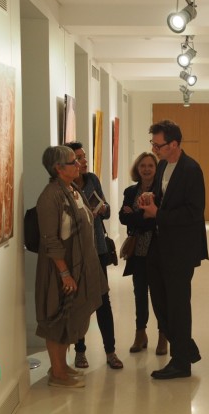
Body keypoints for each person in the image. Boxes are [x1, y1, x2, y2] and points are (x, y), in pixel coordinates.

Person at [139, 120, 208, 379]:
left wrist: (159, 213)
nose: (154, 150)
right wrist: (151, 199)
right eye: (153, 144)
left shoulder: (191, 170)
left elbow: (194, 212)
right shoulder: (163, 166)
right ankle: (186, 348)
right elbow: (163, 198)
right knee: (159, 301)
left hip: (181, 248)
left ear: (174, 144)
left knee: (178, 304)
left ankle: (181, 362)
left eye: (159, 145)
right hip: (160, 245)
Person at [35, 146, 109, 388]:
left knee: (71, 317)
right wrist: (65, 273)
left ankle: (62, 367)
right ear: (58, 168)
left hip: (79, 266)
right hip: (61, 269)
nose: (79, 165)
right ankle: (57, 373)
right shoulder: (50, 197)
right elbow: (50, 240)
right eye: (73, 161)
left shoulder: (73, 189)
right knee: (57, 319)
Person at [66, 141, 123, 370]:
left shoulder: (92, 180)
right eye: (78, 158)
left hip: (97, 248)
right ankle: (80, 351)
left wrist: (102, 209)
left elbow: (106, 209)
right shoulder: (65, 187)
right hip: (77, 251)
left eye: (84, 157)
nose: (84, 161)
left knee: (102, 300)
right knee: (80, 302)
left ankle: (110, 352)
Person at [119, 152, 168, 355]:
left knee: (159, 295)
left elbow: (158, 219)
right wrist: (144, 217)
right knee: (139, 293)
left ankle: (163, 335)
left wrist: (137, 216)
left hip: (158, 251)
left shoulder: (162, 191)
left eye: (150, 166)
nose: (146, 169)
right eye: (142, 166)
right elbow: (123, 218)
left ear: (156, 169)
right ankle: (140, 334)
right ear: (137, 169)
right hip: (137, 251)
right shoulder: (131, 192)